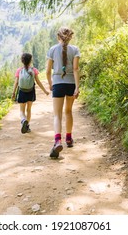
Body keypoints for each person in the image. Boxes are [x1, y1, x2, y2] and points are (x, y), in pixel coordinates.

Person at [46, 27, 80, 158]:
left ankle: (57, 141)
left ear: (58, 37)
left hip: (58, 84)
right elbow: (76, 69)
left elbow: (48, 71)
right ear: (70, 37)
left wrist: (50, 84)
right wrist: (77, 87)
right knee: (68, 111)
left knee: (57, 115)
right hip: (71, 83)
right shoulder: (75, 49)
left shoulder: (52, 49)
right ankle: (69, 138)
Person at [12, 53, 49, 134]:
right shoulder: (34, 70)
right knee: (28, 110)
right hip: (30, 92)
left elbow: (16, 83)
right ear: (31, 61)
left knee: (22, 111)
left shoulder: (19, 70)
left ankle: (23, 120)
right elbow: (38, 82)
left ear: (22, 61)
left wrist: (13, 93)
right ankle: (27, 126)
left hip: (22, 91)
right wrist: (45, 91)